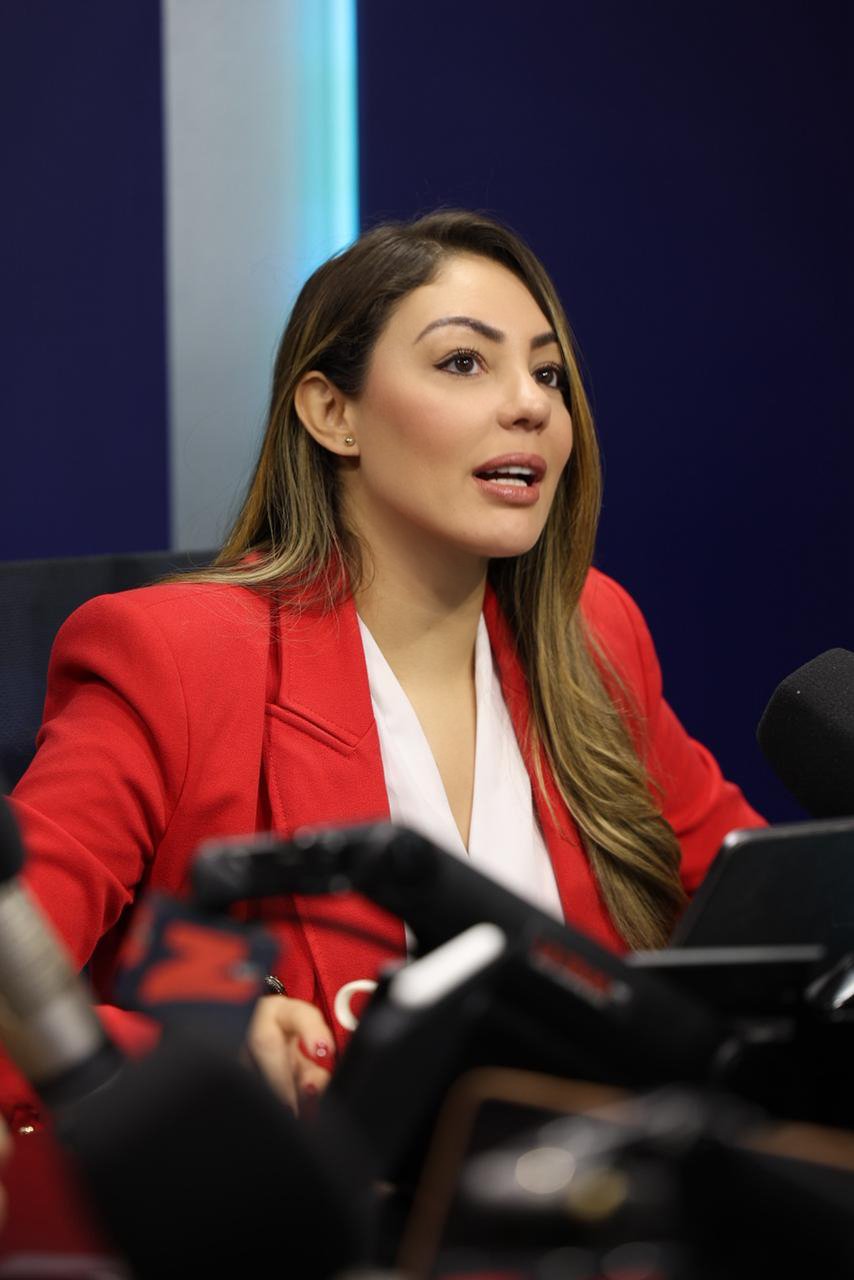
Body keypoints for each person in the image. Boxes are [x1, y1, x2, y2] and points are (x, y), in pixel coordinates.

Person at [4, 210, 762, 1119]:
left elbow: (758, 914)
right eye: (464, 362)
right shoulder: (176, 656)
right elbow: (24, 976)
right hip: (315, 1192)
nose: (530, 404)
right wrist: (203, 1040)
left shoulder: (589, 630)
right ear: (333, 413)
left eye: (548, 373)